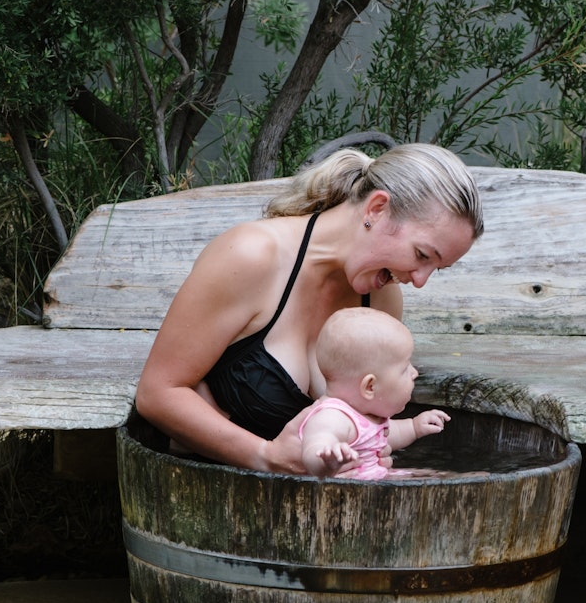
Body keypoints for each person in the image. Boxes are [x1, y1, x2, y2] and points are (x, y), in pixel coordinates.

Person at [133, 143, 483, 474]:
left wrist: (368, 453)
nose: (420, 280)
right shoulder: (251, 256)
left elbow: (367, 416)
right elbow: (158, 393)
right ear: (376, 209)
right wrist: (265, 456)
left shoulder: (380, 300)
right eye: (422, 255)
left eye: (437, 269)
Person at [294, 307, 450, 479]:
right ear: (370, 387)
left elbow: (392, 433)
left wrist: (414, 427)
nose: (415, 373)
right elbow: (314, 446)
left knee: (439, 477)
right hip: (351, 497)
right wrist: (328, 459)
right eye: (405, 368)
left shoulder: (368, 414)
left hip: (378, 481)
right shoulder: (333, 416)